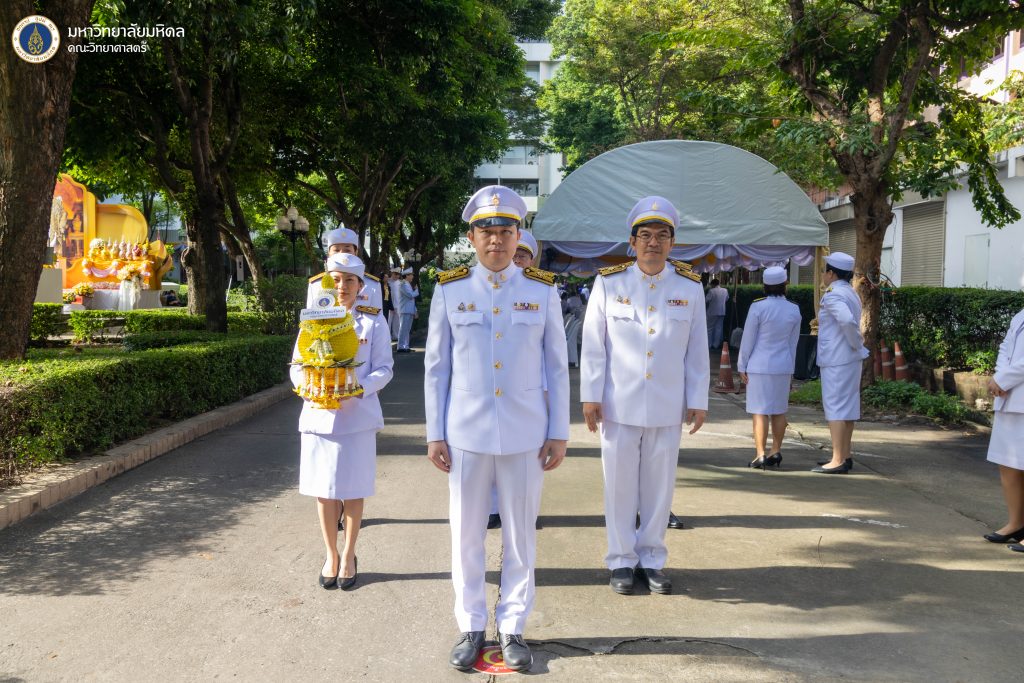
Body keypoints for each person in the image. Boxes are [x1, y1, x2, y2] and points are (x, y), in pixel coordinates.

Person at [425, 184, 569, 672]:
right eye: (486, 231)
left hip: (526, 434)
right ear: (471, 237)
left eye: (506, 231)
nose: (496, 239)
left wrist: (558, 431)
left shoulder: (541, 289)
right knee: (466, 534)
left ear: (517, 236)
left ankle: (512, 626)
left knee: (520, 537)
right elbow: (437, 368)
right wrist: (435, 432)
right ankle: (470, 624)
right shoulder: (450, 289)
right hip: (465, 434)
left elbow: (556, 367)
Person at [580, 195, 710, 596]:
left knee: (659, 488)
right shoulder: (609, 283)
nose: (654, 242)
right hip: (618, 404)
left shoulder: (689, 287)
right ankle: (621, 560)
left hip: (668, 404)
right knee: (618, 487)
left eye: (662, 235)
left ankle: (652, 559)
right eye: (646, 235)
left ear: (673, 242)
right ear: (632, 242)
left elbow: (698, 349)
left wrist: (698, 399)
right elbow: (594, 345)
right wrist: (590, 395)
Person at [290, 253, 394, 590]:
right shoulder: (312, 320)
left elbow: (384, 369)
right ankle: (330, 554)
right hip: (319, 415)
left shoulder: (373, 322)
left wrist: (358, 388)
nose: (342, 286)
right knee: (323, 492)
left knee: (353, 490)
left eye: (349, 280)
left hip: (357, 418)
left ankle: (349, 554)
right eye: (335, 280)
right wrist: (308, 387)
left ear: (360, 286)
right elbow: (297, 365)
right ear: (326, 284)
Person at [737, 266, 801, 469]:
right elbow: (793, 344)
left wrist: (741, 365)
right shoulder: (794, 309)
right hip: (783, 366)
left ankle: (760, 454)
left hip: (759, 365)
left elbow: (748, 339)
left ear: (764, 286)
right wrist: (791, 371)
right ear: (785, 285)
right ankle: (776, 450)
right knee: (779, 411)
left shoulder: (758, 307)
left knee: (759, 411)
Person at [812, 251, 869, 474]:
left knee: (835, 408)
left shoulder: (833, 294)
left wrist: (856, 342)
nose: (823, 275)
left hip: (837, 358)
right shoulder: (850, 292)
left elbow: (846, 321)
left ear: (832, 274)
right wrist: (857, 346)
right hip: (848, 358)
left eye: (825, 271)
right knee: (848, 408)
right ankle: (845, 455)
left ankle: (837, 459)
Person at [983, 306, 1024, 551]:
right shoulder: (1020, 314)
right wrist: (999, 376)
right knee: (1008, 463)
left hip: (1017, 390)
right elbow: (1005, 348)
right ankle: (1016, 523)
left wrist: (1004, 379)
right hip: (1009, 398)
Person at [306, 227, 383, 310]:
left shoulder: (372, 285)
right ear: (328, 253)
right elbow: (311, 316)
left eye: (347, 250)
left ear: (356, 252)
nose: (342, 254)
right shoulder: (316, 285)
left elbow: (377, 315)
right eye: (336, 250)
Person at [396, 268, 419, 353]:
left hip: (409, 310)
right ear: (407, 276)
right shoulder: (403, 284)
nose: (412, 276)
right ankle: (400, 347)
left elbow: (412, 300)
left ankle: (406, 346)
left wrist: (415, 310)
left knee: (407, 329)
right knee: (403, 329)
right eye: (411, 275)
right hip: (404, 310)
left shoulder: (407, 284)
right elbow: (410, 295)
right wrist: (416, 290)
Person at [705, 278, 728, 349]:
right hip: (722, 311)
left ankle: (709, 344)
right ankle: (716, 345)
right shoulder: (725, 290)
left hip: (712, 312)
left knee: (709, 328)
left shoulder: (711, 291)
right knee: (719, 328)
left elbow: (706, 300)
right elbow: (727, 299)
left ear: (713, 284)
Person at [388, 265, 403, 341]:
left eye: (398, 274)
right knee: (388, 321)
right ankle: (387, 336)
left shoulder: (400, 283)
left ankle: (395, 336)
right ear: (392, 273)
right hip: (389, 305)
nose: (397, 276)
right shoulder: (388, 281)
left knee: (397, 322)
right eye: (395, 274)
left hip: (398, 304)